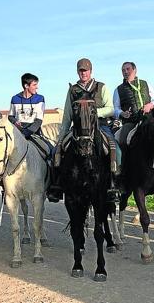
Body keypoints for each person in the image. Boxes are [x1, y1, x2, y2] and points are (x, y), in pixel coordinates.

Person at [48, 58, 119, 203]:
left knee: (116, 150)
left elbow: (111, 109)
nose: (83, 73)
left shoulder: (101, 87)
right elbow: (67, 115)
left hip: (100, 126)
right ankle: (57, 186)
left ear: (90, 71)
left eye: (85, 70)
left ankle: (114, 185)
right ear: (77, 72)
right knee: (57, 151)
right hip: (78, 129)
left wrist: (92, 112)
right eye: (81, 70)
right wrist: (61, 137)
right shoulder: (73, 90)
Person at [8, 73, 45, 138]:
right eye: (34, 85)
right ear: (26, 86)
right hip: (17, 134)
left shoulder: (40, 99)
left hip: (34, 134)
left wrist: (26, 133)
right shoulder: (15, 99)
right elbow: (11, 117)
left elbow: (39, 120)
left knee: (48, 147)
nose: (37, 87)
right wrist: (15, 122)